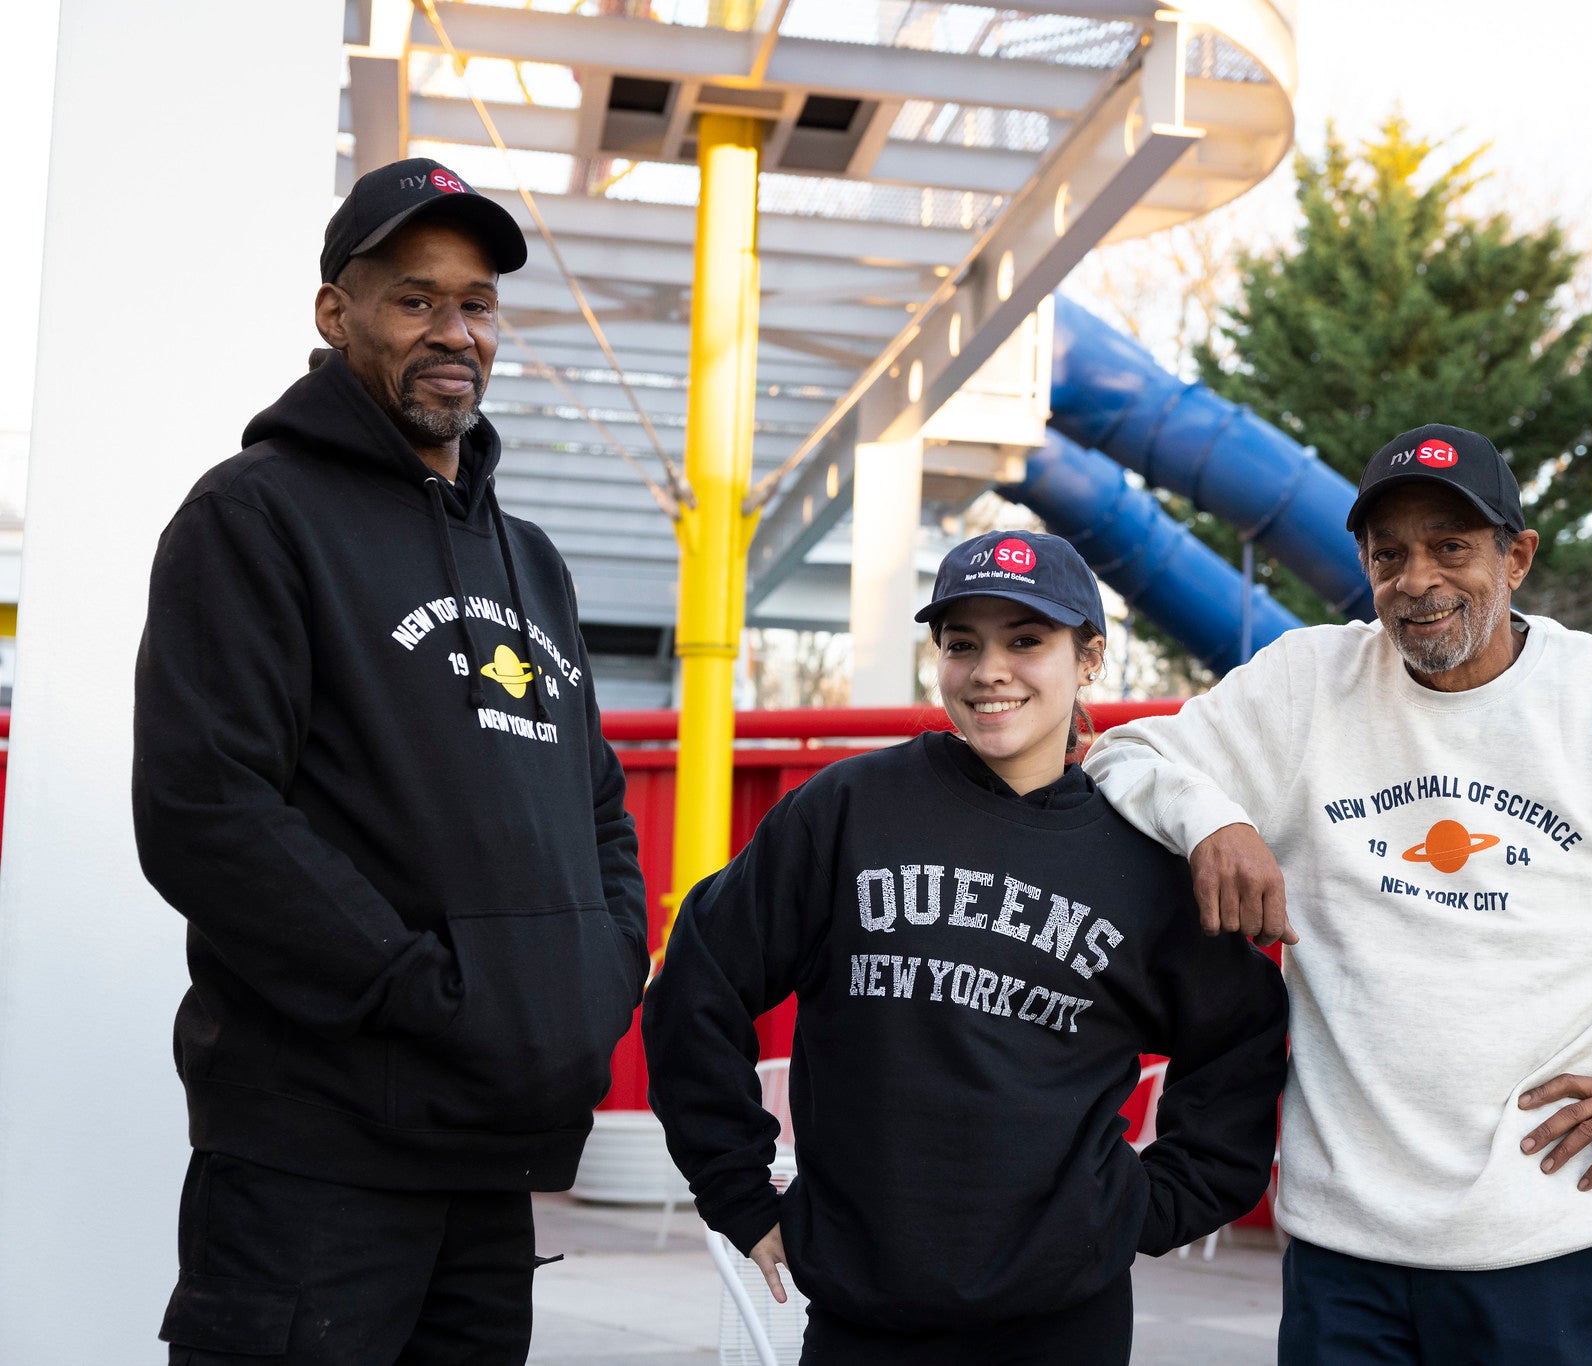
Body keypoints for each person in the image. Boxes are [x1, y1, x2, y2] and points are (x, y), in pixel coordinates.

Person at [1083, 424, 1592, 1365]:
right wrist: (1214, 820)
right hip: (1343, 1259)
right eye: (1388, 554)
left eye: (1452, 546)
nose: (1417, 578)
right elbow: (1126, 754)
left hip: (1549, 1252)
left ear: (1516, 558)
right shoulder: (1309, 684)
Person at [133, 158, 648, 1364]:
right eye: (414, 299)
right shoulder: (252, 517)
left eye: (474, 303)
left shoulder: (533, 559)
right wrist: (430, 992)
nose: (452, 331)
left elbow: (597, 813)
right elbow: (206, 810)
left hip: (488, 1159)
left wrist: (591, 981)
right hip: (315, 1162)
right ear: (337, 313)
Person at [642, 529, 1290, 1365]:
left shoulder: (1140, 859)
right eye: (962, 644)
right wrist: (737, 1189)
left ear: (1090, 657)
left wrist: (1144, 1207)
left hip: (1064, 1324)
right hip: (863, 1319)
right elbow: (698, 981)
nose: (990, 670)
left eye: (1027, 641)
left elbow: (1241, 1034)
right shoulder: (849, 811)